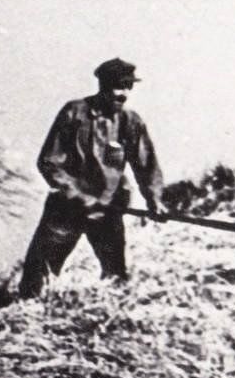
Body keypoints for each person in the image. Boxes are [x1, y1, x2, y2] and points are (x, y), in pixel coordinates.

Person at [19, 57, 168, 298]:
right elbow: (49, 162)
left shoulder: (131, 121)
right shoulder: (74, 113)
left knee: (116, 277)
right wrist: (78, 196)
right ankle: (25, 315)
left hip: (107, 211)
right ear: (103, 86)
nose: (124, 93)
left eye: (129, 87)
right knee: (38, 276)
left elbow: (146, 164)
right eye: (119, 86)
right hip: (66, 210)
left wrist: (155, 200)